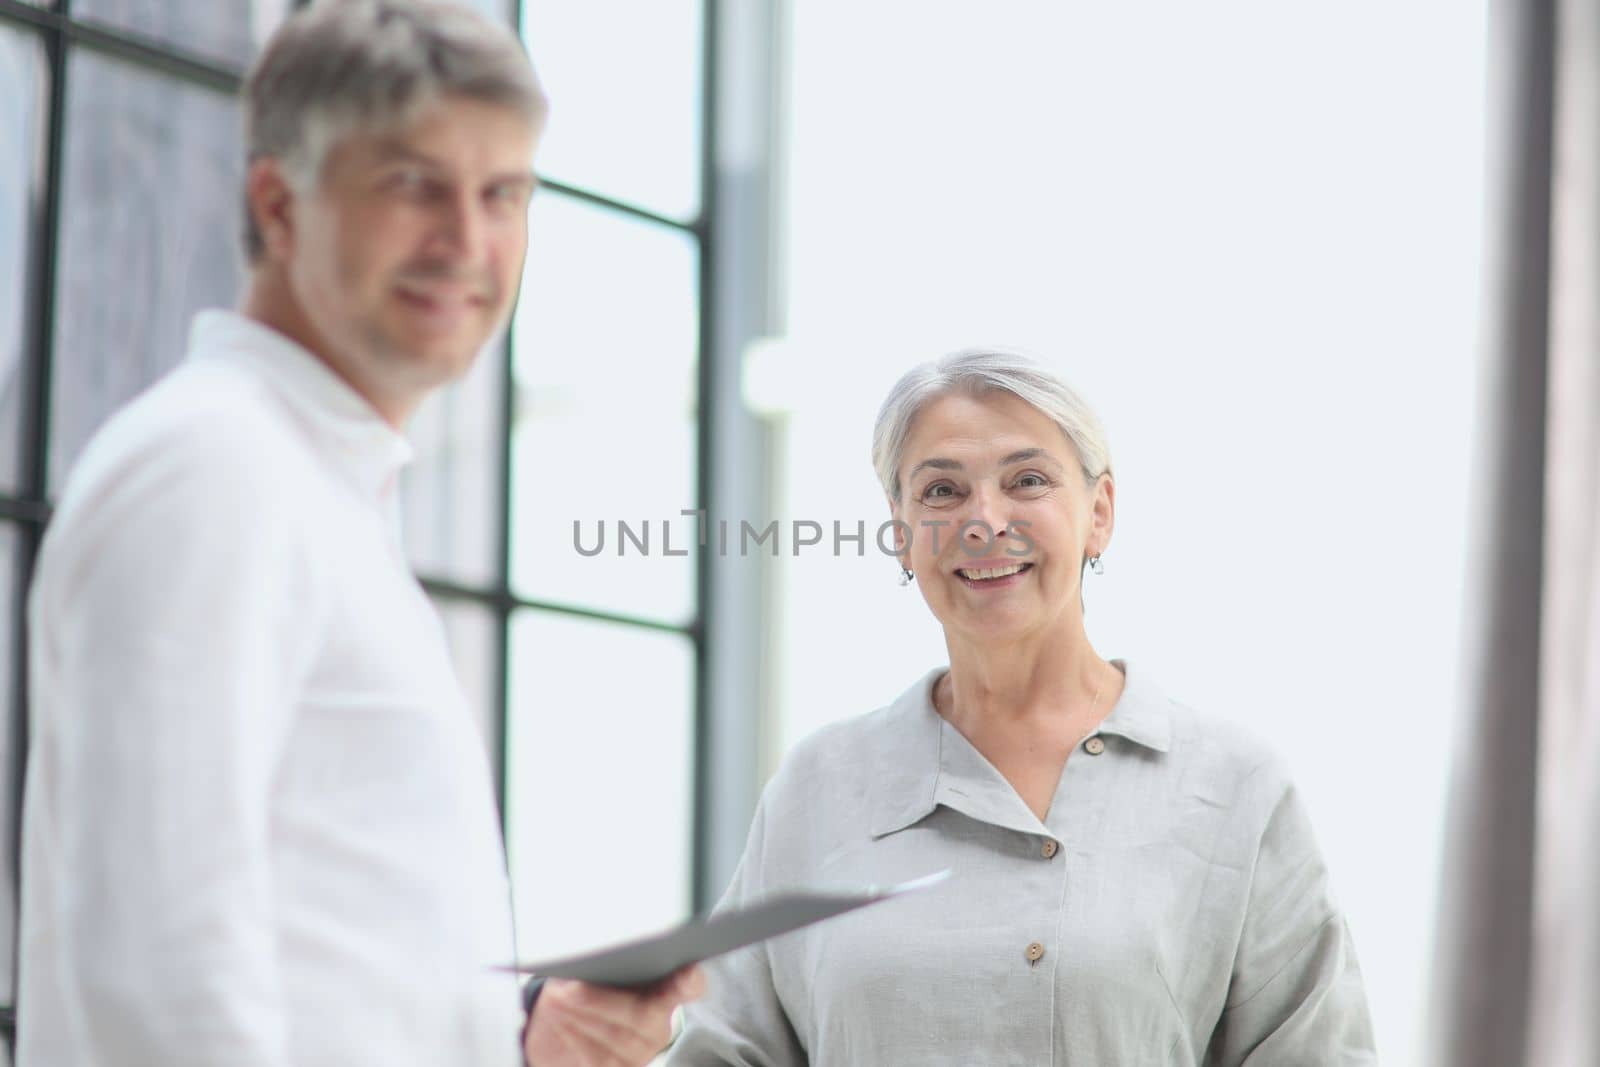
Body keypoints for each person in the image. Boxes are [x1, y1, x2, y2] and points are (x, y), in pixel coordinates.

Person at [16, 3, 701, 1065]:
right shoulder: (211, 470)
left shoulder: (311, 486)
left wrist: (520, 1043)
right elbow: (161, 980)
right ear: (279, 205)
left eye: (502, 193)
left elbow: (321, 960)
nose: (467, 242)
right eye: (411, 183)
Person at [666, 349, 1376, 1065]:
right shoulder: (818, 786)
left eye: (1027, 480)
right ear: (901, 531)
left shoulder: (1234, 787)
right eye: (942, 491)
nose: (984, 520)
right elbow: (721, 1051)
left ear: (1099, 512)